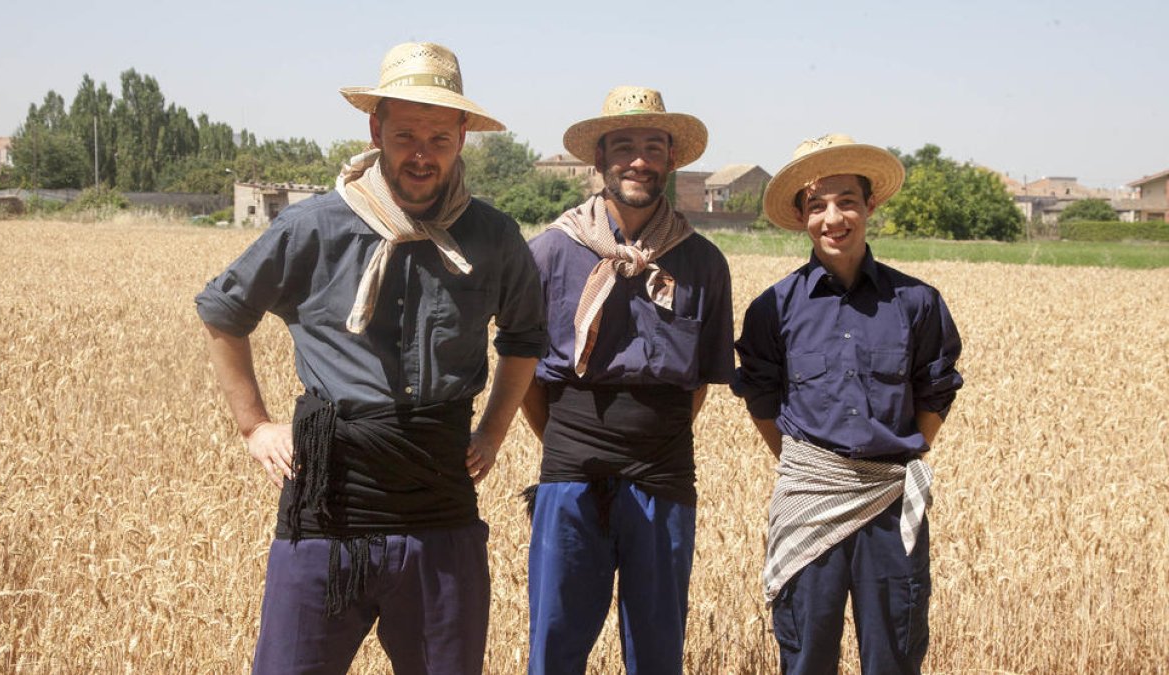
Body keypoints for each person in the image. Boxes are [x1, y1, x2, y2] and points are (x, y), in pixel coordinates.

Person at [195, 42, 547, 674]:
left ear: (463, 136)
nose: (421, 153)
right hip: (328, 506)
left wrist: (493, 431)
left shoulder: (492, 236)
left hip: (440, 504)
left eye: (439, 136)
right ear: (375, 128)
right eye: (406, 133)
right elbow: (223, 312)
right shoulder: (315, 227)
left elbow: (524, 338)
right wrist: (255, 425)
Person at [520, 86, 734, 674]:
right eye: (624, 147)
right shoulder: (548, 254)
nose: (638, 160)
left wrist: (645, 444)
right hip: (569, 472)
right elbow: (524, 376)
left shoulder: (703, 263)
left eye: (652, 147)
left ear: (671, 159)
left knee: (657, 648)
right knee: (556, 645)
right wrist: (574, 444)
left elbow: (698, 384)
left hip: (663, 474)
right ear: (600, 160)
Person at [731, 134, 964, 674]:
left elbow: (936, 388)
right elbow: (761, 398)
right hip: (810, 499)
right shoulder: (774, 307)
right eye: (817, 206)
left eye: (846, 202)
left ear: (869, 206)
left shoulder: (917, 302)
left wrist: (899, 456)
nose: (833, 218)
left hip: (889, 501)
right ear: (801, 216)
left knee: (894, 656)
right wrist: (816, 465)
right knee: (807, 654)